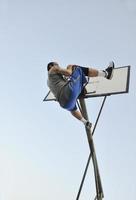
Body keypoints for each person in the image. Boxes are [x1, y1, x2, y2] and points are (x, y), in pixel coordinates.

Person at [47, 61, 114, 128]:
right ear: (51, 66)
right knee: (74, 67)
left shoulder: (49, 82)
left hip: (64, 104)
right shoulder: (53, 68)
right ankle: (106, 73)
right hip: (69, 91)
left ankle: (85, 122)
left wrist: (85, 122)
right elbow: (69, 72)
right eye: (57, 65)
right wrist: (70, 68)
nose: (59, 66)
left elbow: (73, 111)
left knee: (72, 109)